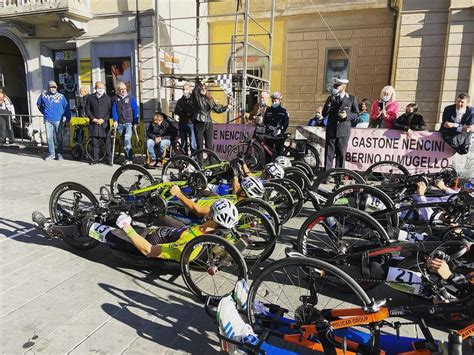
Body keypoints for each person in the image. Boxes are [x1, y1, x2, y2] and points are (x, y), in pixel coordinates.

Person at [322, 77, 359, 171]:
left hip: (343, 130)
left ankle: (338, 176)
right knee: (329, 154)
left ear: (343, 86)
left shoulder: (351, 98)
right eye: (334, 85)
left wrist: (346, 116)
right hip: (331, 130)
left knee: (341, 154)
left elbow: (356, 114)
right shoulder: (331, 98)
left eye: (337, 85)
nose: (335, 87)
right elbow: (324, 113)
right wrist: (330, 100)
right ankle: (326, 176)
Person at [36, 80, 71, 161]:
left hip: (58, 120)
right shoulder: (43, 95)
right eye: (51, 87)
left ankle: (59, 154)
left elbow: (66, 108)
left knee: (59, 138)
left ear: (56, 87)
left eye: (54, 87)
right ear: (48, 88)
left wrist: (68, 119)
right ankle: (51, 154)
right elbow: (38, 104)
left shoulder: (61, 96)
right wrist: (44, 112)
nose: (53, 88)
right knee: (49, 138)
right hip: (48, 120)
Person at [192, 82, 230, 151]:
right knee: (199, 146)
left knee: (209, 145)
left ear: (207, 90)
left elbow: (217, 110)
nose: (203, 89)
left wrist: (226, 107)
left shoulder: (210, 99)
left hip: (208, 123)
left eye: (205, 88)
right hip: (199, 122)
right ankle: (200, 161)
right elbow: (194, 91)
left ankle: (211, 160)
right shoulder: (197, 98)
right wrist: (202, 82)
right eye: (202, 88)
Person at [112, 82, 140, 164]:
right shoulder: (115, 99)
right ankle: (127, 158)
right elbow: (114, 110)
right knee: (123, 141)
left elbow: (135, 110)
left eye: (124, 89)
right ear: (117, 90)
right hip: (120, 123)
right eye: (121, 89)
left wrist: (136, 122)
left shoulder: (131, 98)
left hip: (129, 123)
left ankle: (130, 159)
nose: (122, 91)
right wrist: (115, 120)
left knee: (127, 139)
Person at [85, 81, 112, 165]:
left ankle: (109, 159)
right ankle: (95, 159)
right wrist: (93, 118)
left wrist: (104, 119)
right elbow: (87, 109)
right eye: (99, 88)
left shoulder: (108, 98)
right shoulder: (90, 97)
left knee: (107, 143)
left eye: (102, 88)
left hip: (104, 124)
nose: (101, 90)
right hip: (94, 123)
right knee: (95, 143)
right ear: (95, 88)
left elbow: (110, 111)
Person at [263, 92, 289, 159]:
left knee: (279, 153)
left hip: (279, 135)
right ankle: (267, 166)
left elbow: (286, 123)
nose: (274, 102)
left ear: (280, 101)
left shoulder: (284, 111)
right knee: (268, 153)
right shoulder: (268, 110)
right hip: (269, 135)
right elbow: (265, 121)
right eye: (273, 100)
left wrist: (281, 131)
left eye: (276, 100)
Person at [174, 82, 196, 155]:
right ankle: (184, 158)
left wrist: (186, 112)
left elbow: (193, 110)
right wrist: (185, 113)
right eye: (183, 89)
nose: (185, 90)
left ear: (190, 90)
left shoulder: (194, 100)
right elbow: (176, 111)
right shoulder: (180, 101)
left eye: (186, 89)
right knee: (183, 143)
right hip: (182, 123)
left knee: (193, 142)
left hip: (191, 123)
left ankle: (194, 158)